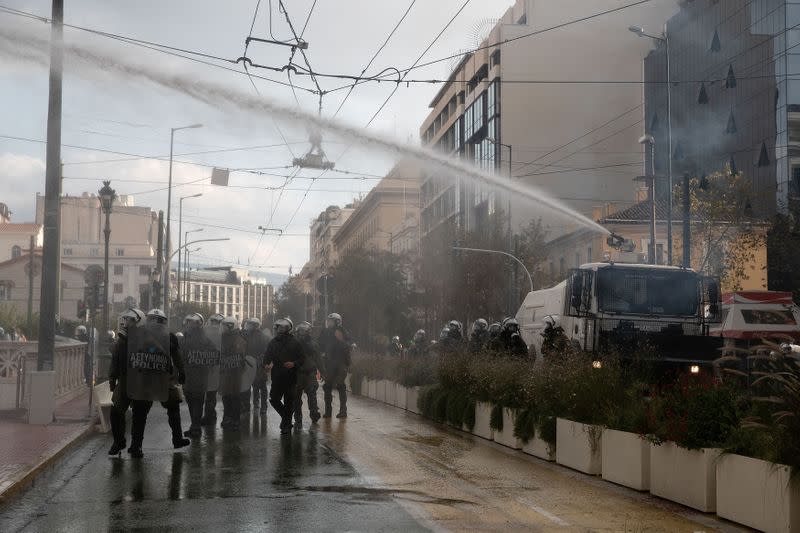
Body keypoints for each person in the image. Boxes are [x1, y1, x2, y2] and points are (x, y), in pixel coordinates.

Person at [148, 309, 191, 449]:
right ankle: (136, 445)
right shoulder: (143, 335)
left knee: (173, 408)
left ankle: (177, 438)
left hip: (162, 377)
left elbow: (177, 357)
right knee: (140, 412)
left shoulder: (170, 337)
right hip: (146, 376)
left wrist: (182, 372)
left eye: (156, 319)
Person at [107, 308, 146, 456]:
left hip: (142, 382)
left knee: (140, 415)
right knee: (116, 411)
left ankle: (136, 446)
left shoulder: (147, 339)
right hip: (124, 380)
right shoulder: (121, 341)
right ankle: (119, 441)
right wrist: (112, 378)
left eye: (131, 320)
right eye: (126, 320)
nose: (126, 323)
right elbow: (115, 360)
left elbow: (157, 357)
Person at [181, 313, 219, 438]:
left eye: (191, 322)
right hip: (191, 374)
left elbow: (215, 354)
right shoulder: (188, 337)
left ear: (197, 324)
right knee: (192, 401)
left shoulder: (202, 339)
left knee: (196, 401)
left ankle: (196, 428)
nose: (188, 324)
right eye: (188, 322)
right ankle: (194, 426)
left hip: (197, 375)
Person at [264, 318, 304, 434]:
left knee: (289, 400)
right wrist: (266, 364)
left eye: (281, 327)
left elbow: (302, 358)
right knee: (274, 399)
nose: (278, 329)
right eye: (278, 327)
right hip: (277, 376)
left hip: (291, 377)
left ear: (287, 328)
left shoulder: (295, 342)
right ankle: (286, 418)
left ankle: (286, 425)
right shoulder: (273, 342)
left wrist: (293, 364)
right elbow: (267, 356)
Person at [319, 312, 351, 419]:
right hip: (329, 363)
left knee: (340, 385)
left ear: (337, 322)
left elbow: (348, 345)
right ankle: (328, 411)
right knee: (327, 386)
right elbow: (320, 344)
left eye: (331, 321)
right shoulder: (325, 331)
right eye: (328, 321)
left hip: (341, 363)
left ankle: (343, 410)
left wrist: (341, 339)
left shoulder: (342, 331)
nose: (329, 323)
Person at [219, 317, 247, 431]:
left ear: (231, 326)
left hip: (235, 372)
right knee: (226, 396)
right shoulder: (221, 338)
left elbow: (240, 354)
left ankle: (236, 419)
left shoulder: (239, 339)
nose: (223, 328)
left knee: (234, 396)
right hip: (225, 371)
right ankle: (227, 417)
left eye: (226, 326)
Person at [293, 321, 321, 427]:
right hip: (297, 373)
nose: (302, 333)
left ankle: (314, 414)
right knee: (296, 397)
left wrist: (322, 371)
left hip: (310, 373)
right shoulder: (293, 343)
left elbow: (318, 358)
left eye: (304, 331)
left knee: (312, 395)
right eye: (300, 331)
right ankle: (298, 417)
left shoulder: (313, 344)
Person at [200, 313, 224, 426]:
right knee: (211, 393)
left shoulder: (205, 332)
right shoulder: (223, 333)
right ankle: (211, 415)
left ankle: (209, 416)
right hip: (217, 366)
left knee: (209, 393)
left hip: (209, 366)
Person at [243, 317, 270, 414]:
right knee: (256, 386)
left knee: (257, 386)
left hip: (256, 364)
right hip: (254, 364)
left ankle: (258, 404)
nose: (249, 326)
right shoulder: (247, 335)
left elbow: (267, 351)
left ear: (255, 325)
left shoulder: (260, 337)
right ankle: (259, 405)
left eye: (251, 324)